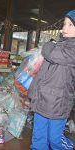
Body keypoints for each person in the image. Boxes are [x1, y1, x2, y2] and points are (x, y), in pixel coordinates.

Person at [28, 10, 75, 150]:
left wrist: (48, 44)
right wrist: (33, 91)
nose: (64, 28)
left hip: (58, 103)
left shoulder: (70, 49)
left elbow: (51, 53)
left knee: (54, 139)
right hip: (42, 98)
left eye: (70, 25)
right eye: (64, 24)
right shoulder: (60, 43)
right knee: (38, 136)